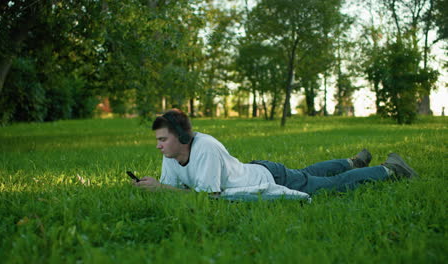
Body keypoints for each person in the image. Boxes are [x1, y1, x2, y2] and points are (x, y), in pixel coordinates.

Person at [133, 109, 418, 196]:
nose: (158, 145)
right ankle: (350, 162)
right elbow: (172, 189)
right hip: (261, 170)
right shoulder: (170, 154)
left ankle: (390, 169)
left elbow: (209, 197)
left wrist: (160, 190)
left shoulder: (205, 147)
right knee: (307, 175)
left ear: (182, 137)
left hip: (270, 179)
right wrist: (154, 186)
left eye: (163, 139)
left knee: (325, 187)